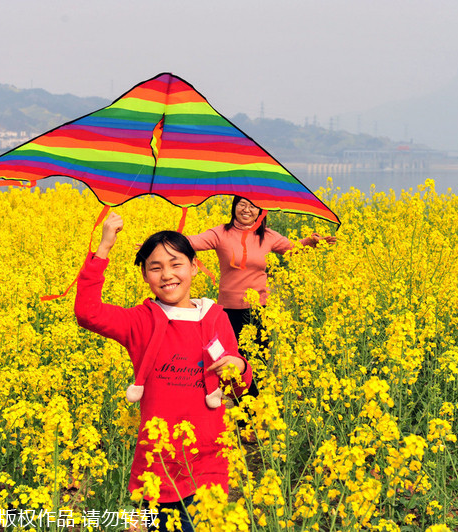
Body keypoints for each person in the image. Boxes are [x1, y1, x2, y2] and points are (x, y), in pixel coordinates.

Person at [75, 212, 252, 532]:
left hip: (209, 459)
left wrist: (239, 366)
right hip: (159, 465)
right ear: (144, 275)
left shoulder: (215, 318)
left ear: (195, 267)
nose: (167, 274)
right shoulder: (141, 321)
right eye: (155, 267)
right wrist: (104, 247)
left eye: (176, 264)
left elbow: (237, 385)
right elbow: (88, 314)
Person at [187, 196, 335, 412]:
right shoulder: (220, 233)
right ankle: (237, 409)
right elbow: (191, 241)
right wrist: (161, 242)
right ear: (234, 207)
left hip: (259, 310)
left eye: (252, 206)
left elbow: (292, 248)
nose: (246, 209)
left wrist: (312, 242)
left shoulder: (267, 237)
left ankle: (251, 415)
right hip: (227, 311)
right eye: (242, 204)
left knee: (256, 362)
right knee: (230, 363)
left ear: (261, 212)